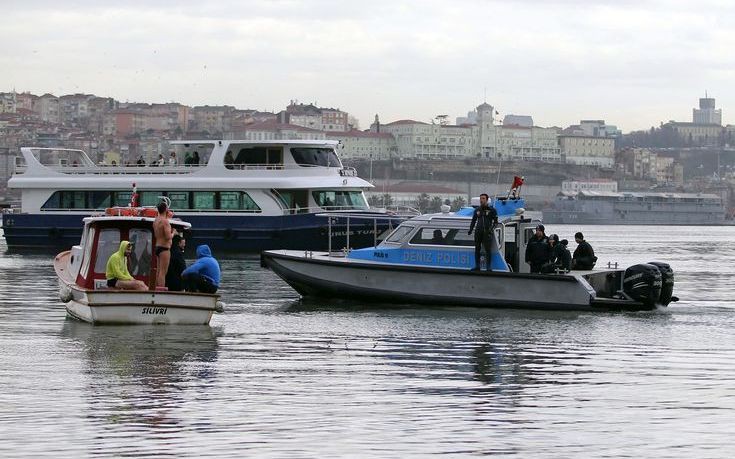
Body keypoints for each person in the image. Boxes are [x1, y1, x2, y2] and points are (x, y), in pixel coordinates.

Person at [468, 193, 498, 271]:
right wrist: (470, 230)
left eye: (483, 198)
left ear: (487, 200)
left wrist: (491, 230)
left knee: (488, 250)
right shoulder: (477, 210)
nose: (481, 200)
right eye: (481, 198)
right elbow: (473, 221)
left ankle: (488, 267)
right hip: (478, 232)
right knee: (477, 249)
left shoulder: (492, 210)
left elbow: (496, 222)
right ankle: (477, 266)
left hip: (487, 232)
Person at [153, 201, 174, 288]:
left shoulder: (156, 221)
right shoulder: (165, 222)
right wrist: (174, 233)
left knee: (158, 271)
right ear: (166, 209)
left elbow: (156, 235)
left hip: (158, 246)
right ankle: (161, 290)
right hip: (164, 248)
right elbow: (168, 237)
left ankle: (155, 288)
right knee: (163, 272)